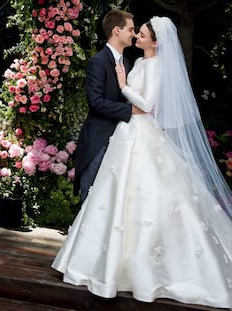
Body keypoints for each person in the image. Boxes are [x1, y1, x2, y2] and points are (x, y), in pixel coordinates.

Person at [53, 16, 232, 308]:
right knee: (115, 195)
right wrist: (128, 97)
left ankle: (151, 268)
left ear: (156, 41)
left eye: (142, 33)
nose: (137, 35)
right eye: (135, 30)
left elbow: (146, 105)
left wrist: (124, 86)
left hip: (141, 132)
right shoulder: (133, 62)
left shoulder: (158, 66)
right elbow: (111, 103)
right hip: (126, 133)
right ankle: (106, 263)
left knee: (147, 195)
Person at [74, 9, 144, 203]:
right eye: (130, 29)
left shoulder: (129, 63)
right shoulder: (98, 61)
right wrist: (130, 110)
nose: (134, 34)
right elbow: (95, 102)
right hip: (99, 139)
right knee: (90, 195)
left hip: (123, 139)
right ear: (117, 31)